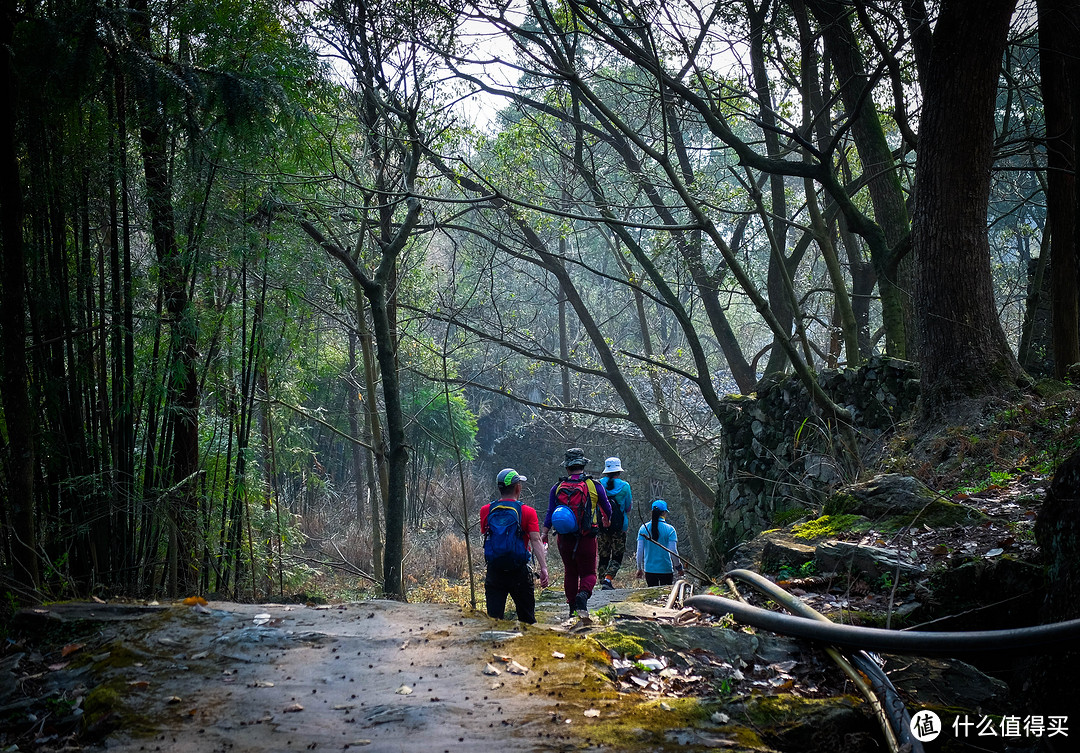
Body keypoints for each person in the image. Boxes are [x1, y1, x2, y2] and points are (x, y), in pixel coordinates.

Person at [542, 448, 611, 618]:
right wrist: (606, 519)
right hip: (587, 537)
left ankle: (572, 609)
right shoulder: (594, 485)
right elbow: (607, 508)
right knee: (589, 573)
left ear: (567, 468)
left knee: (570, 572)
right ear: (583, 465)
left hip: (564, 539)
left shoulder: (557, 487)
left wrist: (544, 533)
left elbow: (550, 512)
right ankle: (582, 596)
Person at [480, 468, 549, 624]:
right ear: (518, 487)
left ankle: (494, 648)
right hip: (519, 573)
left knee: (494, 622)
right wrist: (543, 568)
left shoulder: (486, 510)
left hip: (494, 571)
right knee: (527, 621)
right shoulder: (527, 511)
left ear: (499, 488)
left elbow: (488, 534)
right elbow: (536, 540)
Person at [597, 456, 633, 590]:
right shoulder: (625, 486)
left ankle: (602, 581)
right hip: (620, 526)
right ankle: (608, 579)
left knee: (603, 554)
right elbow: (628, 507)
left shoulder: (598, 484)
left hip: (602, 525)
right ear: (619, 471)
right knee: (617, 555)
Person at [636, 499, 684, 586]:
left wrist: (639, 568)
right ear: (664, 513)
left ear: (652, 512)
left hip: (649, 570)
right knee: (666, 597)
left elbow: (639, 551)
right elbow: (673, 551)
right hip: (666, 570)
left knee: (652, 596)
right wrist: (679, 567)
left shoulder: (643, 528)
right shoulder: (670, 529)